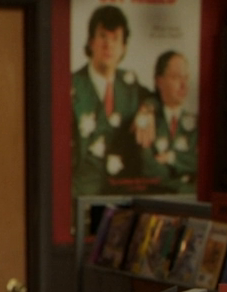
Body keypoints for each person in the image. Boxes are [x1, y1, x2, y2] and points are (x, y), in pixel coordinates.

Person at [70, 5, 151, 196]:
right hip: (80, 192)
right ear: (91, 42)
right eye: (103, 36)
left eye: (115, 39)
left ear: (124, 47)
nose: (109, 45)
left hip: (122, 192)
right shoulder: (71, 84)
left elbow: (154, 98)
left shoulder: (130, 83)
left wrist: (148, 109)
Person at [139, 51, 197, 194]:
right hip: (157, 198)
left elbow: (202, 164)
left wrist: (172, 158)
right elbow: (148, 168)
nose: (183, 85)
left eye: (186, 77)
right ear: (159, 82)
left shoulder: (197, 124)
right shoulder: (148, 118)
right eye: (176, 77)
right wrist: (183, 181)